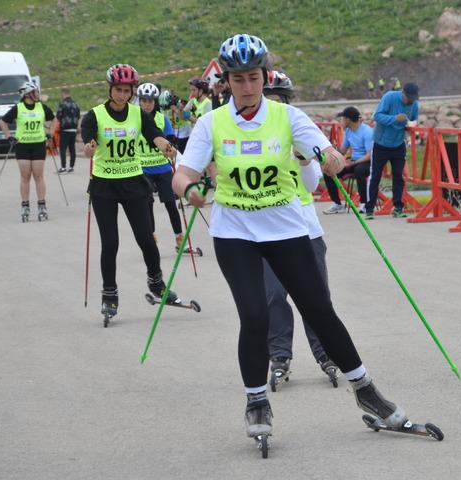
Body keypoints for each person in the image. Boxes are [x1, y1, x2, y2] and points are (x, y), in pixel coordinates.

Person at [173, 33, 413, 442]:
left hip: (285, 230)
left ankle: (366, 390)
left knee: (319, 310)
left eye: (253, 77)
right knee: (255, 315)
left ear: (265, 77)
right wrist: (189, 189)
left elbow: (326, 154)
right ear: (225, 82)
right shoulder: (212, 123)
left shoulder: (288, 117)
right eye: (237, 79)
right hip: (235, 234)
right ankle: (256, 401)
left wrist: (331, 159)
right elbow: (182, 174)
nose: (246, 87)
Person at [81, 64, 180, 322]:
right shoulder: (94, 115)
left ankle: (157, 283)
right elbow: (88, 142)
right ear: (110, 89)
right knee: (110, 243)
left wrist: (166, 147)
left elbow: (154, 135)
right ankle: (109, 294)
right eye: (118, 90)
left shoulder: (138, 114)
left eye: (127, 91)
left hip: (133, 182)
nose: (122, 95)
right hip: (104, 186)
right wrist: (89, 148)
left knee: (146, 239)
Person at [259, 69, 339, 385]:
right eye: (269, 99)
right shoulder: (253, 138)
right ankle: (280, 356)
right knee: (274, 296)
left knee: (316, 297)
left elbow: (311, 185)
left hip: (306, 230)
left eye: (279, 100)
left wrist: (305, 160)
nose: (274, 105)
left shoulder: (299, 130)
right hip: (268, 231)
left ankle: (327, 353)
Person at [136, 82, 185, 250]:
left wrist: (171, 148)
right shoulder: (134, 119)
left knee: (171, 204)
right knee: (147, 204)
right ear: (139, 101)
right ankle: (151, 239)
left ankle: (179, 238)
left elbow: (171, 140)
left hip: (163, 167)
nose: (147, 104)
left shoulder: (161, 118)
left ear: (155, 101)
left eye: (150, 100)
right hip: (143, 169)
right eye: (144, 100)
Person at [0, 81, 57, 221]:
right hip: (22, 145)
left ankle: (42, 205)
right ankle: (25, 206)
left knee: (38, 175)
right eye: (35, 92)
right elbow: (3, 121)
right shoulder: (18, 108)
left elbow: (54, 120)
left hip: (38, 144)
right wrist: (9, 136)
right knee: (25, 176)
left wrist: (51, 133)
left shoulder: (41, 106)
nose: (37, 94)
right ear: (27, 94)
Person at [364, 82, 419, 219]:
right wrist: (394, 118)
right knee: (376, 176)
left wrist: (412, 125)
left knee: (398, 177)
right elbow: (377, 116)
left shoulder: (414, 104)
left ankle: (398, 208)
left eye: (413, 99)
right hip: (381, 143)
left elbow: (414, 119)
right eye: (408, 98)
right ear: (403, 93)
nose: (410, 101)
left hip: (398, 144)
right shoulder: (389, 97)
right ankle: (369, 209)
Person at [323, 106, 372, 214]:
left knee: (359, 170)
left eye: (343, 118)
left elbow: (369, 155)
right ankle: (337, 204)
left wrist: (352, 163)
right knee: (328, 171)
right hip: (354, 162)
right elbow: (342, 151)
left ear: (348, 119)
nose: (341, 121)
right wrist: (332, 150)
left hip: (367, 162)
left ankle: (364, 204)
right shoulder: (348, 131)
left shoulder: (367, 131)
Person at [56, 87, 80, 173]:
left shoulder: (62, 104)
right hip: (73, 129)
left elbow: (58, 116)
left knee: (63, 149)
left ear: (63, 93)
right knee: (72, 149)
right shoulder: (76, 104)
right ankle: (71, 167)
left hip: (65, 129)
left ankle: (63, 167)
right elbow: (78, 116)